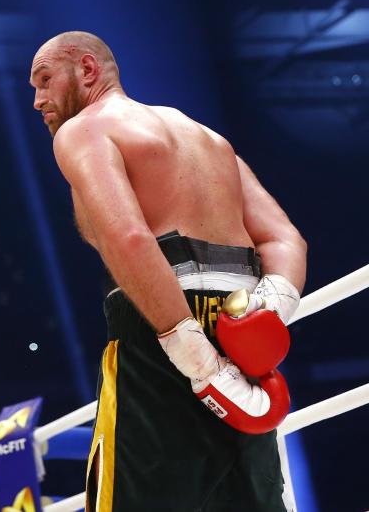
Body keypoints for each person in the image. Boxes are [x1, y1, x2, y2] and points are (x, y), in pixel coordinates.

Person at [29, 31, 307, 511]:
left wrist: (191, 349)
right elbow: (285, 240)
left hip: (159, 322)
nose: (37, 101)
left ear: (88, 69)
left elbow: (129, 238)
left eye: (45, 81)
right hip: (241, 327)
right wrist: (268, 308)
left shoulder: (87, 130)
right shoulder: (207, 138)